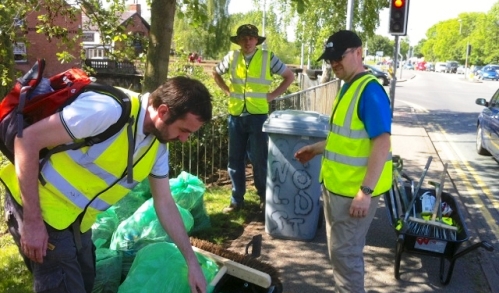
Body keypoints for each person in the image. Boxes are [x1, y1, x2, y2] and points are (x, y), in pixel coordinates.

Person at [1, 76, 213, 293]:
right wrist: (32, 221)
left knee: (86, 281)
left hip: (76, 220)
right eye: (183, 130)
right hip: (37, 208)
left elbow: (165, 203)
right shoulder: (107, 110)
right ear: (163, 112)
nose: (185, 139)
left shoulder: (157, 147)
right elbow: (26, 140)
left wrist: (191, 262)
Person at [294, 30, 392, 293]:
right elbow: (343, 139)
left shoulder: (369, 91)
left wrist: (365, 191)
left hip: (353, 195)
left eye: (339, 57)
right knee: (341, 255)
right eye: (330, 59)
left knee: (346, 258)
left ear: (358, 52)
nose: (333, 63)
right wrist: (315, 149)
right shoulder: (349, 86)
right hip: (339, 190)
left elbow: (381, 143)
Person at [213, 23, 295, 213]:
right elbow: (216, 72)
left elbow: (289, 76)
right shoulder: (232, 57)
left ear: (257, 40)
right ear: (239, 41)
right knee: (235, 159)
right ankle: (236, 199)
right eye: (243, 38)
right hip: (235, 115)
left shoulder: (268, 57)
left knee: (259, 159)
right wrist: (226, 90)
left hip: (258, 115)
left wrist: (272, 96)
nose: (247, 41)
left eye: (251, 38)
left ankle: (264, 197)